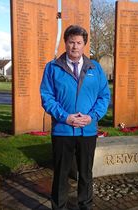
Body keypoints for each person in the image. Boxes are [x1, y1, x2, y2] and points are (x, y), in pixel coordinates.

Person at [40, 25, 110, 210]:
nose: (75, 46)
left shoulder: (95, 68)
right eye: (71, 42)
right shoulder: (52, 68)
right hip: (62, 130)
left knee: (86, 174)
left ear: (84, 44)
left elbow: (104, 96)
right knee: (61, 174)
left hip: (87, 131)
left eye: (79, 42)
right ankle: (59, 207)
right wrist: (65, 117)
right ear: (66, 42)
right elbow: (47, 97)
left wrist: (92, 117)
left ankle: (85, 206)